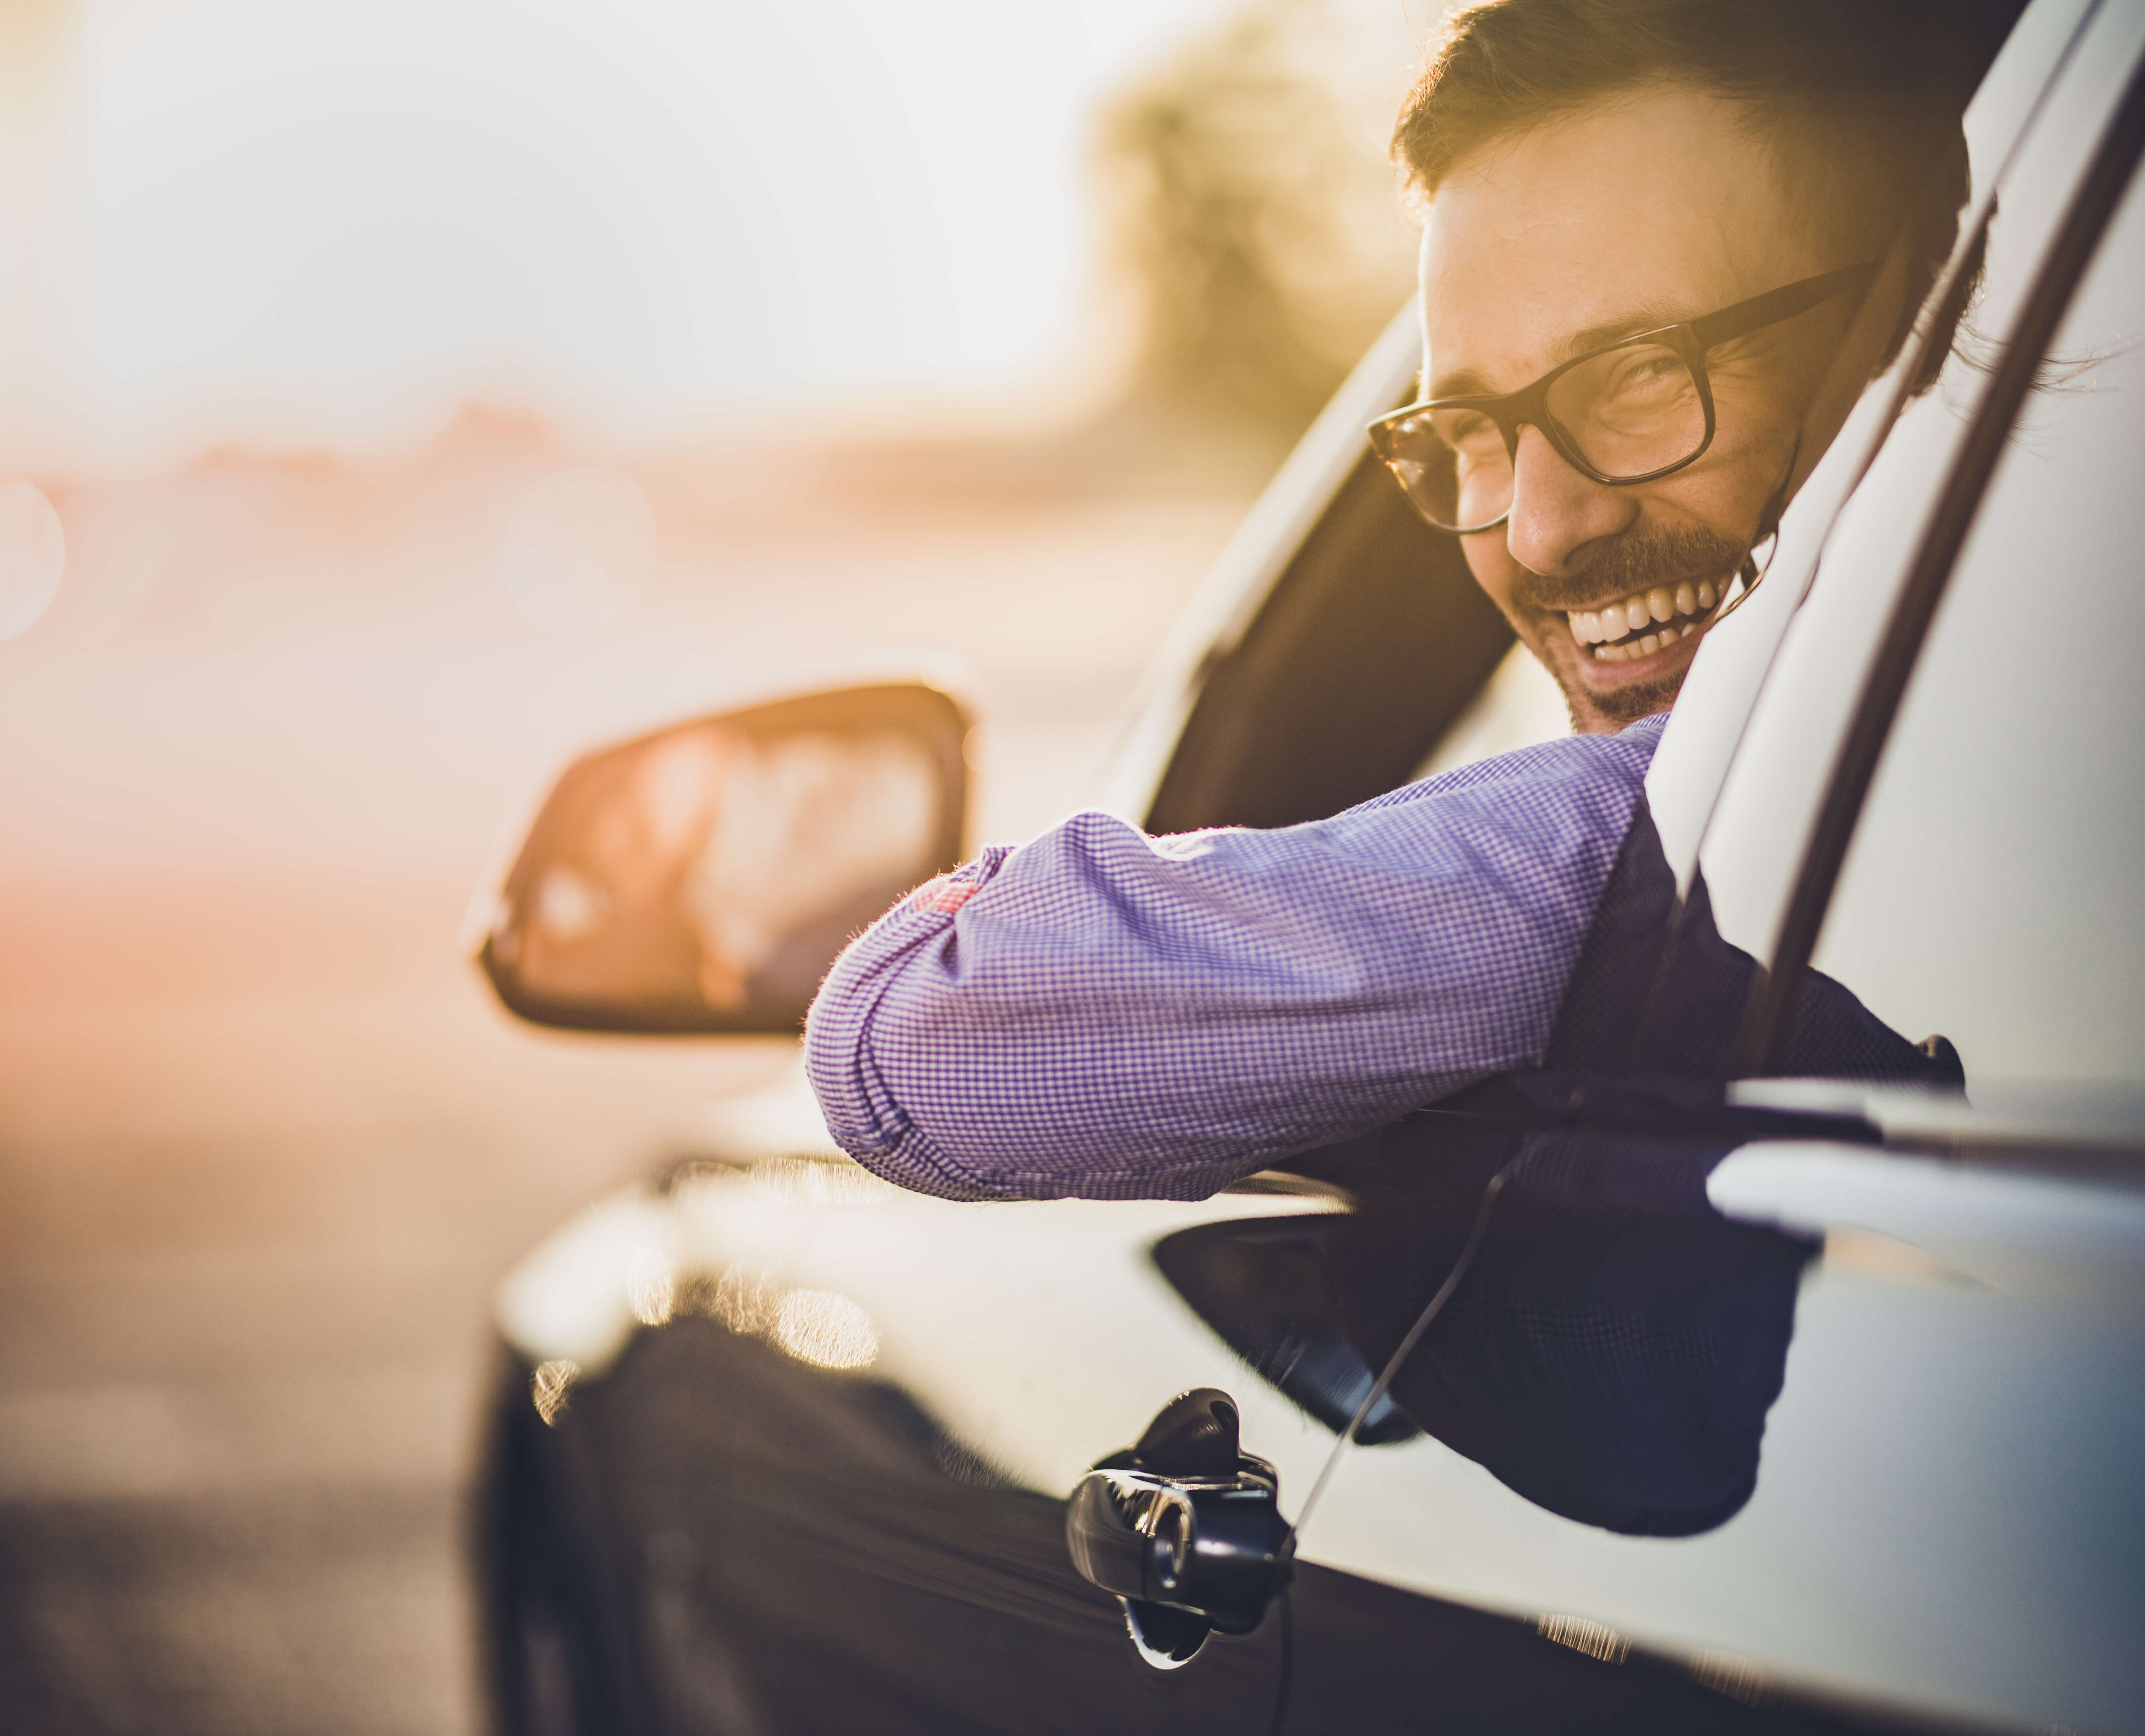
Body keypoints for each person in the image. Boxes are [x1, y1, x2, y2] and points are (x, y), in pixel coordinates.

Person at [806, 0, 1993, 1201]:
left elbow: (916, 1041)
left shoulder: (1777, 837)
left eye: (1640, 374)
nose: (1538, 528)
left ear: (1914, 345)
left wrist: (1616, 856)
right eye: (1472, 429)